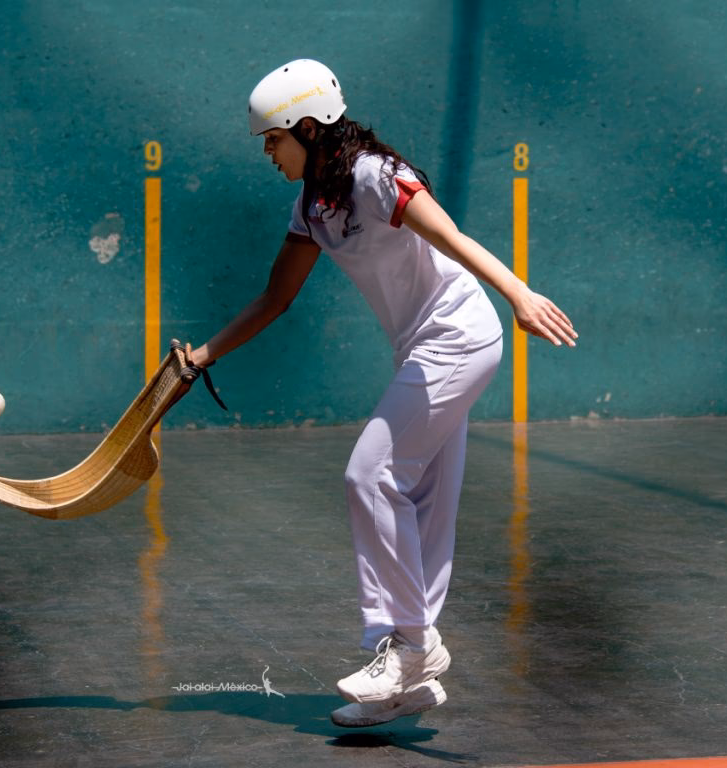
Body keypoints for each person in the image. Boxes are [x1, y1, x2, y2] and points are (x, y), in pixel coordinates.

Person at [186, 59, 576, 727]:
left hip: (458, 337)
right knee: (420, 508)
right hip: (420, 351)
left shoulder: (377, 175)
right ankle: (406, 683)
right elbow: (276, 299)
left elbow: (449, 235)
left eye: (272, 140)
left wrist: (519, 292)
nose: (268, 154)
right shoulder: (311, 204)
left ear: (307, 128)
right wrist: (201, 356)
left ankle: (412, 648)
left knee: (369, 473)